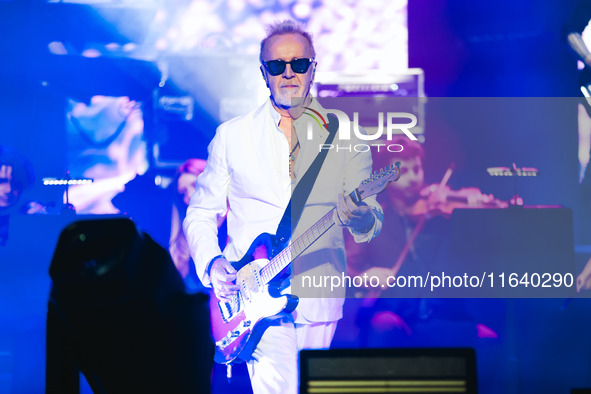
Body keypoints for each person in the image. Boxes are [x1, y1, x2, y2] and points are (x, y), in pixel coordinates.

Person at [183, 20, 383, 393]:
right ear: (264, 73)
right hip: (253, 293)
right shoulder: (233, 135)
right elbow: (201, 212)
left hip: (318, 294)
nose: (288, 73)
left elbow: (370, 218)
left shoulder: (345, 134)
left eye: (299, 64)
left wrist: (362, 216)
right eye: (277, 66)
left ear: (313, 68)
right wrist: (212, 262)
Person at [169, 158, 227, 290]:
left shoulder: (237, 218)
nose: (189, 194)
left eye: (195, 185)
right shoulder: (186, 240)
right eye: (182, 193)